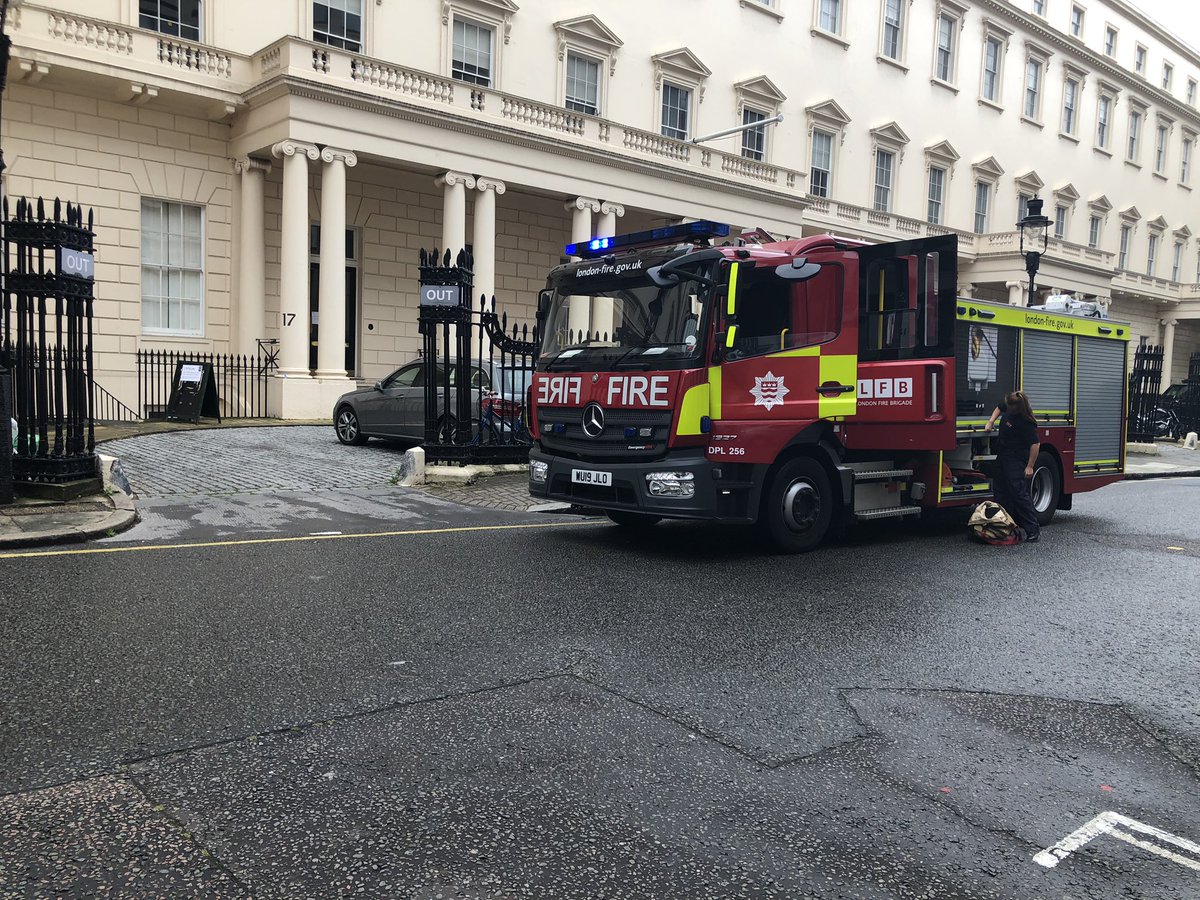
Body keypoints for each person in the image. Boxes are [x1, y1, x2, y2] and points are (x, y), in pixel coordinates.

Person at [984, 391, 1041, 543]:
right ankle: (1005, 527)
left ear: (1017, 408)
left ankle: (1032, 530)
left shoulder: (1025, 422)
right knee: (1000, 492)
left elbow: (1035, 445)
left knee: (1018, 494)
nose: (1006, 409)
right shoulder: (1010, 404)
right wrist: (991, 421)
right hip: (1003, 454)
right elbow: (999, 407)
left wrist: (1030, 466)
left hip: (1016, 458)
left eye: (1009, 408)